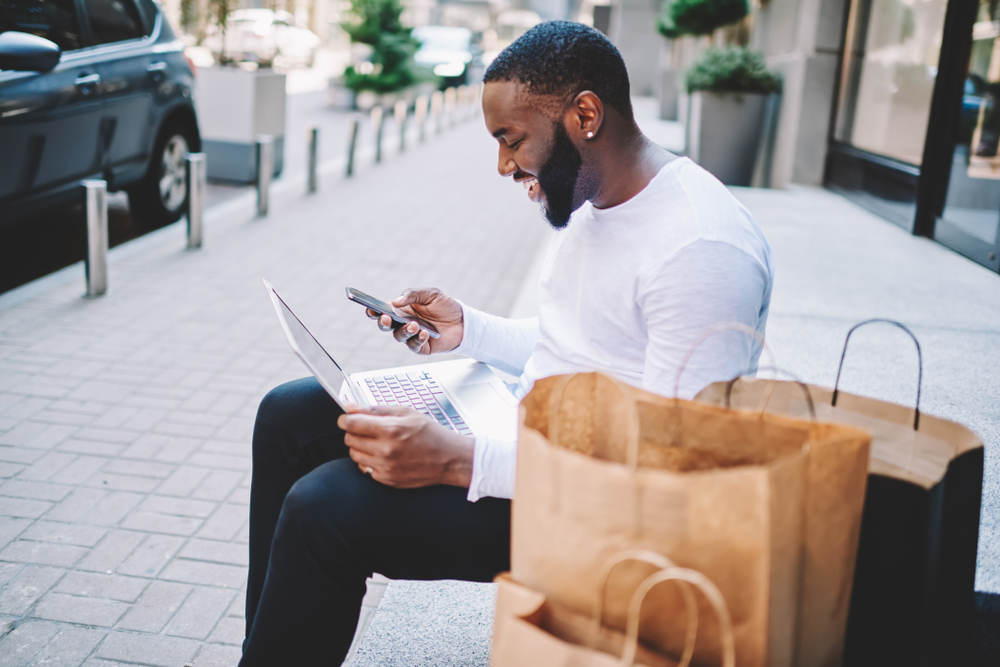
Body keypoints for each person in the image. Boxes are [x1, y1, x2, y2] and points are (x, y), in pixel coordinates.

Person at [239, 21, 773, 666]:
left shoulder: (700, 248)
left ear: (585, 115)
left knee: (323, 509)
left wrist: (459, 460)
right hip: (533, 438)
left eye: (511, 139)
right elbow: (578, 340)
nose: (503, 165)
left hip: (600, 513)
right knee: (289, 414)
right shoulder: (596, 197)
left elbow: (669, 476)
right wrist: (470, 331)